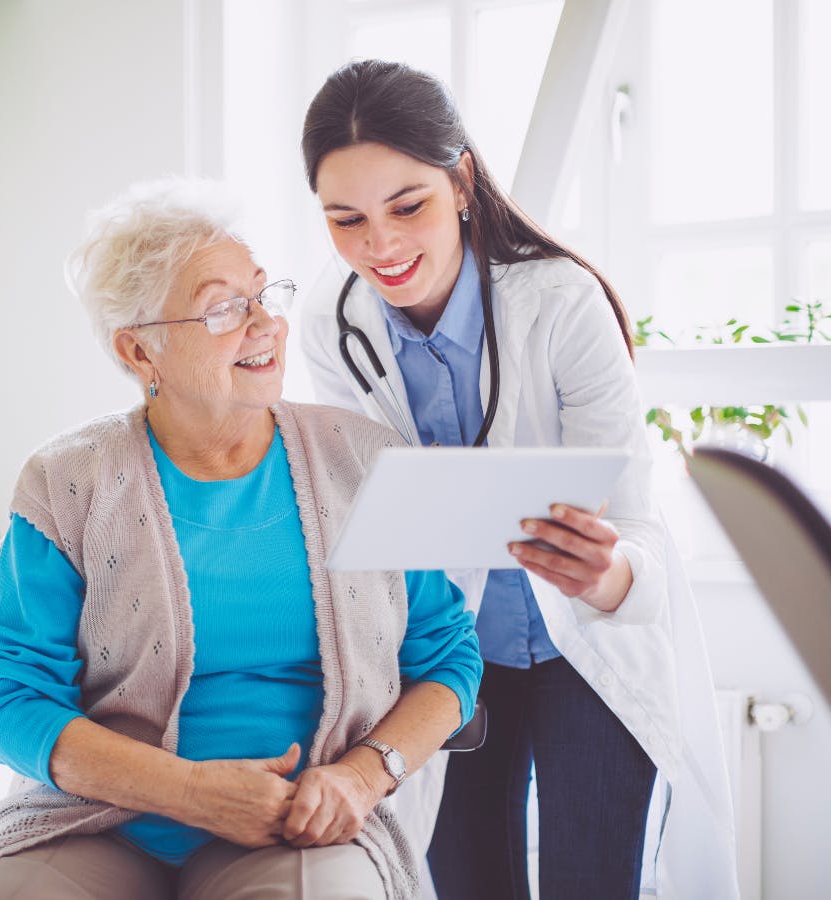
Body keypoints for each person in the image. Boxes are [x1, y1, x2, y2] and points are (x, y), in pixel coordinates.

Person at [0, 177, 483, 900]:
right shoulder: (69, 480)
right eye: (224, 309)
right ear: (140, 353)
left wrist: (362, 776)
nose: (263, 324)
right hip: (97, 825)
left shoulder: (364, 461)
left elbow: (447, 657)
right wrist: (188, 791)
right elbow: (7, 692)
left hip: (297, 827)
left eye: (262, 294)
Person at [298, 60, 739, 900]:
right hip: (447, 661)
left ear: (461, 180)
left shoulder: (562, 303)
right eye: (345, 219)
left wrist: (607, 575)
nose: (380, 247)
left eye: (408, 206)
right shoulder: (334, 322)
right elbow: (373, 507)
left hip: (589, 652)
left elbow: (635, 523)